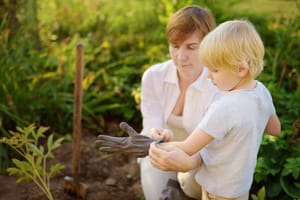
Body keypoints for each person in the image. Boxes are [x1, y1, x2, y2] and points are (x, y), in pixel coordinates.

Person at [149, 19, 281, 200]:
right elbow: (275, 129)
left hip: (217, 191)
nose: (209, 76)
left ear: (241, 69)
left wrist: (154, 147)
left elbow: (188, 147)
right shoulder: (261, 91)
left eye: (215, 70)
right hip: (241, 188)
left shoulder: (224, 107)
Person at [139, 5, 220, 200]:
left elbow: (216, 145)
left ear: (208, 45)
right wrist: (156, 133)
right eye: (175, 46)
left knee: (192, 188)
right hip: (161, 150)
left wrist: (189, 161)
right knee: (159, 197)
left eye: (191, 47)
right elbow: (151, 122)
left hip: (201, 157)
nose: (181, 57)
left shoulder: (218, 84)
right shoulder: (154, 76)